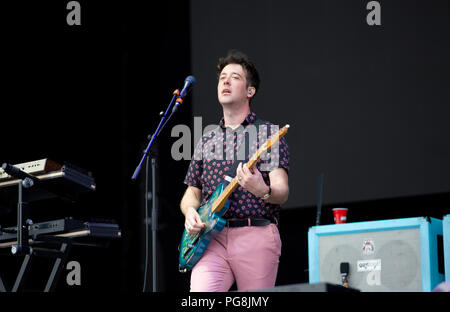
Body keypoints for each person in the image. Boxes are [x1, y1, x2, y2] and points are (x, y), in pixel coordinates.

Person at [180, 50, 290, 292]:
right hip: (211, 239)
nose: (226, 81)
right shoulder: (206, 140)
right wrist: (190, 212)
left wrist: (262, 190)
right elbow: (192, 193)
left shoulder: (268, 134)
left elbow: (281, 191)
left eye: (235, 77)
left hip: (256, 234)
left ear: (250, 91)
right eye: (222, 78)